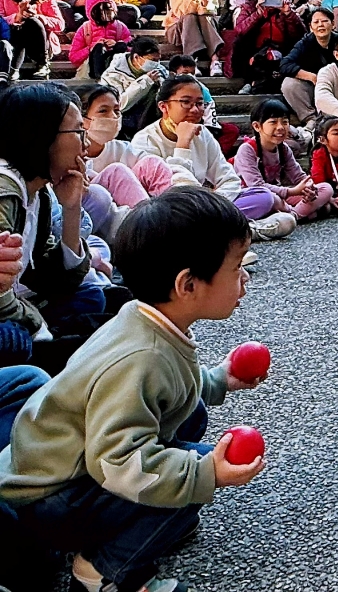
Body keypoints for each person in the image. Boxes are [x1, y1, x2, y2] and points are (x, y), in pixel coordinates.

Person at [0, 187, 267, 592]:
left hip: (59, 471)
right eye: (235, 268)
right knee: (189, 472)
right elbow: (119, 463)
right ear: (187, 285)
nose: (244, 277)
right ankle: (101, 573)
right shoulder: (143, 356)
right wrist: (202, 475)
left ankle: (127, 527)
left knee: (190, 421)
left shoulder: (139, 316)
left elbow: (169, 386)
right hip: (49, 501)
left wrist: (216, 380)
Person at [0, 84, 100, 360]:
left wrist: (71, 209)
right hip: (6, 310)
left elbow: (56, 279)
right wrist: (39, 326)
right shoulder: (4, 193)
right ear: (41, 135)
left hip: (19, 301)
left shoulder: (38, 191)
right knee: (15, 339)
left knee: (94, 297)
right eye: (79, 132)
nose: (86, 143)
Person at [131, 76, 295, 238]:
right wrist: (183, 144)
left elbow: (229, 179)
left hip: (206, 207)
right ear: (164, 106)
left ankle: (222, 231)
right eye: (186, 102)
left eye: (200, 103)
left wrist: (212, 205)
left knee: (263, 197)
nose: (195, 110)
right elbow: (177, 194)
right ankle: (240, 231)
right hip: (169, 214)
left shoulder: (203, 135)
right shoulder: (145, 141)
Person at [234, 99, 334, 222]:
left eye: (285, 122)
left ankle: (292, 215)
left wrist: (309, 189)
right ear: (257, 126)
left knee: (325, 188)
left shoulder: (284, 149)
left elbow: (299, 176)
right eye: (273, 122)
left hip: (280, 195)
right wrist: (291, 191)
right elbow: (257, 186)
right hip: (256, 197)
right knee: (271, 199)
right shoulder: (247, 150)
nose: (280, 127)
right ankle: (298, 213)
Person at [80, 85, 175, 209]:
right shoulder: (70, 154)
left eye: (116, 110)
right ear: (82, 119)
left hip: (129, 210)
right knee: (117, 172)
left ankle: (177, 213)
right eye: (103, 111)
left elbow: (158, 169)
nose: (114, 116)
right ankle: (148, 221)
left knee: (152, 163)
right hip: (97, 212)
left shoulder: (123, 149)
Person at [230, 0, 305, 94]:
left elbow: (299, 34)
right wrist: (258, 13)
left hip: (281, 49)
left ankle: (259, 82)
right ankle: (252, 81)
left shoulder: (286, 7)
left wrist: (289, 14)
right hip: (255, 51)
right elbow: (240, 30)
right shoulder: (248, 7)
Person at [1, 0, 63, 80]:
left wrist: (39, 17)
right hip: (13, 41)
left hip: (39, 44)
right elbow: (0, 19)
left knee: (32, 21)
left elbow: (60, 24)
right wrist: (17, 17)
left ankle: (43, 64)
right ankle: (13, 68)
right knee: (21, 25)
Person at [165, 0, 224, 72]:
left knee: (204, 17)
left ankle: (215, 60)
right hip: (179, 28)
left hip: (205, 26)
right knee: (189, 17)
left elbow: (212, 11)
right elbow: (180, 11)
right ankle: (191, 60)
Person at [100, 36, 164, 134]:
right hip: (126, 121)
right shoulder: (113, 74)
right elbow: (120, 105)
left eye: (158, 60)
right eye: (152, 60)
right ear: (136, 57)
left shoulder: (160, 70)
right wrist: (145, 82)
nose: (156, 64)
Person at [66, 0, 131, 80]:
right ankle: (98, 76)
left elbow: (133, 50)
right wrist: (91, 48)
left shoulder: (120, 27)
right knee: (98, 48)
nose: (104, 14)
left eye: (107, 10)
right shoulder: (85, 29)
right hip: (91, 67)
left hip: (116, 68)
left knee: (121, 46)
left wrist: (117, 44)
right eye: (99, 12)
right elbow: (73, 57)